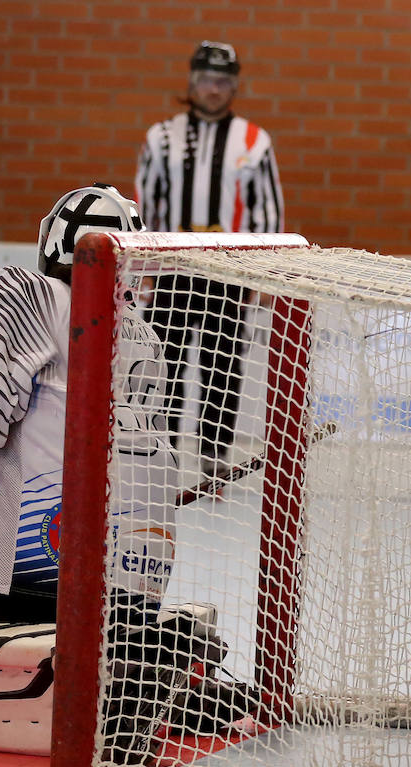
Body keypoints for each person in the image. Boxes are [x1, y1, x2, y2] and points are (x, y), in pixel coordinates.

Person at [0, 184, 252, 760]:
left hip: (24, 575)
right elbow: (37, 436)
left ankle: (73, 679)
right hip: (135, 577)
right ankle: (138, 660)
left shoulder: (24, 298)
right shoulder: (142, 332)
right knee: (114, 615)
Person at [135, 40, 285, 477]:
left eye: (223, 81)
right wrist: (144, 269)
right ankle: (158, 451)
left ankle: (212, 460)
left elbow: (268, 213)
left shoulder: (255, 141)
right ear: (192, 82)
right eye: (205, 80)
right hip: (172, 270)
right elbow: (145, 207)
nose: (214, 90)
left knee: (222, 368)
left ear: (234, 85)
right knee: (164, 364)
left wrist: (265, 275)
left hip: (229, 272)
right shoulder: (161, 136)